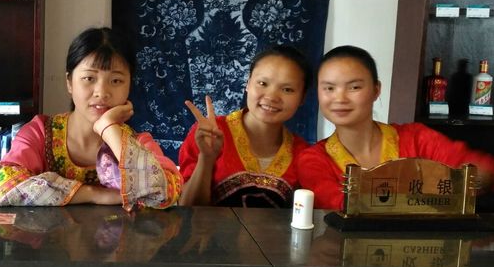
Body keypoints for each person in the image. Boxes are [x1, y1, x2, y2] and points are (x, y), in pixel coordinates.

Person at [0, 27, 182, 211]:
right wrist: (93, 194)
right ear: (69, 82)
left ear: (129, 85)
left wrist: (108, 128)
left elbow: (167, 193)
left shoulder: (139, 143)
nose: (102, 92)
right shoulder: (40, 133)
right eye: (89, 78)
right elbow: (5, 186)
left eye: (116, 81)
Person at [297, 45, 494, 210]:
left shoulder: (416, 138)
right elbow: (340, 204)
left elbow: (481, 169)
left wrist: (465, 180)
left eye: (354, 87)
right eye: (329, 88)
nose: (340, 98)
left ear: (376, 90)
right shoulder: (313, 160)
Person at [178, 45, 312, 207]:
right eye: (263, 83)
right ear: (248, 83)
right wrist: (206, 158)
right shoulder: (210, 132)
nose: (271, 96)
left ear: (302, 97)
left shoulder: (304, 154)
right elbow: (186, 208)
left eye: (287, 89)